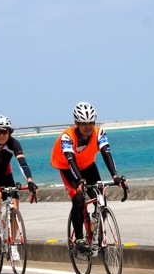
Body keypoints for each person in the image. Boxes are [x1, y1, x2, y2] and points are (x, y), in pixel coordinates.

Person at [51, 102, 126, 253]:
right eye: (84, 123)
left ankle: (95, 227)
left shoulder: (99, 133)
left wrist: (115, 176)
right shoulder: (67, 136)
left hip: (88, 166)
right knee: (78, 199)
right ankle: (79, 239)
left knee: (100, 198)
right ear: (76, 123)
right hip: (67, 168)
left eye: (91, 122)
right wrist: (79, 180)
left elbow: (106, 153)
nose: (88, 126)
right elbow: (70, 159)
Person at [0, 116, 38, 260]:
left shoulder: (13, 144)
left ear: (9, 133)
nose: (1, 135)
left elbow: (22, 163)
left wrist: (30, 181)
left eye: (5, 132)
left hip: (6, 176)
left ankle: (12, 244)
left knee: (15, 204)